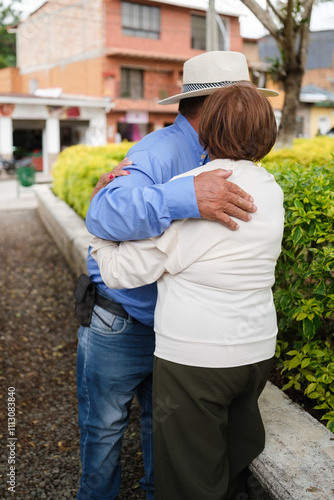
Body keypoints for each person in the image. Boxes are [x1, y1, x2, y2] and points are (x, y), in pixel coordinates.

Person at [76, 51, 279, 500]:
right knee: (105, 436)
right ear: (219, 106)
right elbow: (104, 212)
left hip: (178, 336)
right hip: (124, 321)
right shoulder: (160, 151)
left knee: (165, 444)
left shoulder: (231, 165)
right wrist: (184, 197)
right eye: (239, 100)